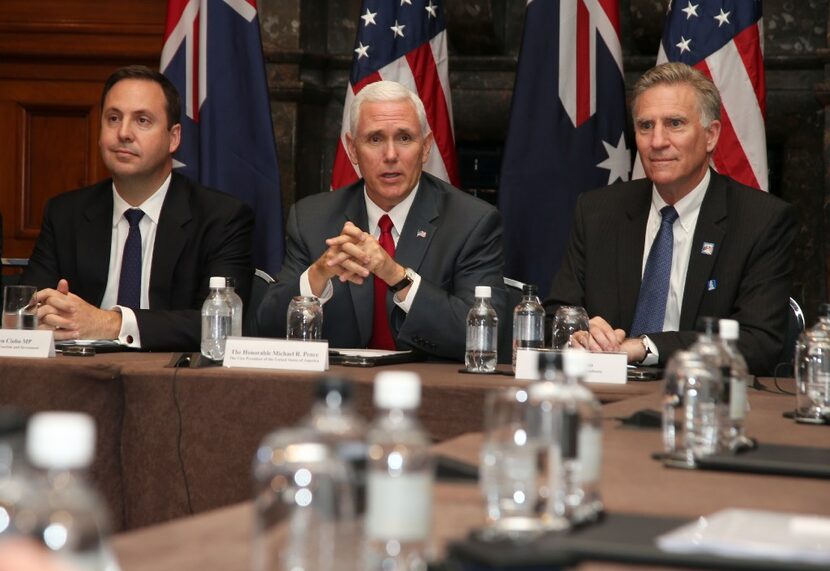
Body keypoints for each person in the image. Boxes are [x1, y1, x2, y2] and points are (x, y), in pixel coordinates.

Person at [546, 62, 797, 376]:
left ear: (711, 135)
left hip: (705, 400)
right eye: (645, 126)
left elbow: (758, 342)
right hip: (601, 391)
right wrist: (579, 332)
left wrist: (645, 347)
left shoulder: (760, 221)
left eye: (675, 123)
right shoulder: (598, 211)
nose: (657, 142)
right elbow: (553, 316)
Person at [257, 80, 506, 361]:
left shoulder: (472, 222)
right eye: (375, 139)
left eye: (404, 138)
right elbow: (267, 327)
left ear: (425, 148)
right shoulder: (312, 218)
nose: (390, 155)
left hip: (429, 394)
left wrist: (397, 277)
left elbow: (484, 336)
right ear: (352, 148)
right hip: (337, 390)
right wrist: (318, 275)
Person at [20, 66, 254, 351]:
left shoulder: (221, 217)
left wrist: (111, 323)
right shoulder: (65, 213)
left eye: (142, 120)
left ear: (174, 137)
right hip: (78, 377)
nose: (124, 133)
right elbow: (28, 307)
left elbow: (218, 324)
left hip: (173, 382)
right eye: (113, 118)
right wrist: (48, 313)